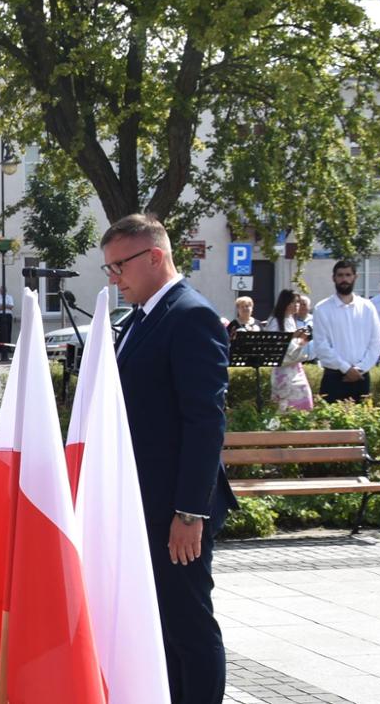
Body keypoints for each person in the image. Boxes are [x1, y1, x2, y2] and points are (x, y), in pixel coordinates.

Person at [103, 214, 234, 704]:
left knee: (189, 627)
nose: (115, 278)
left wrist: (190, 512)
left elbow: (205, 424)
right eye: (109, 269)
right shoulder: (139, 319)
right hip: (143, 501)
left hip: (176, 509)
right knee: (159, 626)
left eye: (120, 266)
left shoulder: (189, 315)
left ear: (155, 256)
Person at [313, 260, 380, 403]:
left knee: (363, 423)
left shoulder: (367, 307)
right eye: (340, 275)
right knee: (330, 423)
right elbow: (321, 345)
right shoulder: (322, 309)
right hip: (334, 378)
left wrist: (360, 369)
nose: (344, 279)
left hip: (361, 377)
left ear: (355, 277)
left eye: (348, 275)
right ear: (334, 278)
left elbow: (376, 341)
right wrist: (345, 368)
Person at [272, 327, 315, 412]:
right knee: (284, 408)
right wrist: (295, 338)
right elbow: (289, 355)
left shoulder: (292, 320)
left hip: (296, 371)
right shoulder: (275, 324)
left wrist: (302, 340)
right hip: (284, 373)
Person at [0, 287, 15, 361]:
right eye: (1, 290)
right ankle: (1, 348)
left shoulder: (9, 297)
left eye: (3, 290)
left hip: (8, 315)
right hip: (0, 315)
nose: (2, 291)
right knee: (1, 332)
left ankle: (8, 347)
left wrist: (2, 305)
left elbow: (11, 306)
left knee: (8, 331)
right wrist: (6, 306)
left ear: (6, 290)